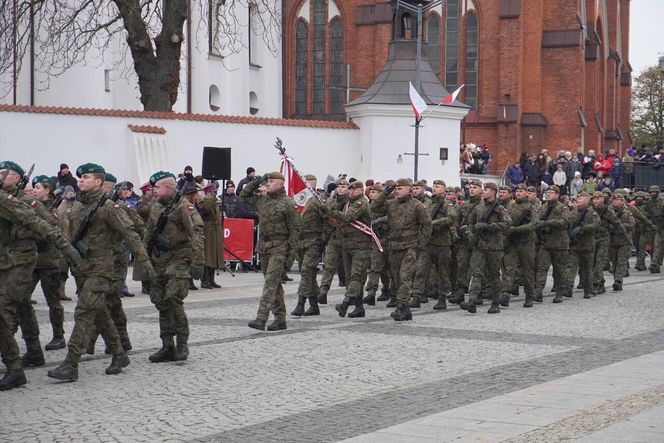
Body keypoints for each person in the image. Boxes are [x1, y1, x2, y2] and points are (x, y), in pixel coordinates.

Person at [48, 163, 154, 382]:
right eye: (80, 178)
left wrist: (146, 264)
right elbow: (70, 239)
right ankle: (118, 353)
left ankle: (71, 364)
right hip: (82, 269)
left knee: (84, 311)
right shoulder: (77, 206)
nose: (81, 181)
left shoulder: (108, 207)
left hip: (102, 269)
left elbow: (130, 234)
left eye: (86, 177)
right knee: (101, 314)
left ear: (98, 182)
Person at [0, 172, 80, 391]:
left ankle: (15, 367)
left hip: (25, 259)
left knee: (5, 310)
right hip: (7, 259)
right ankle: (34, 350)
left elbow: (42, 223)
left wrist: (67, 250)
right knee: (23, 305)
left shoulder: (11, 201)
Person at [144, 172, 204, 362]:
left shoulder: (184, 207)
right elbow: (149, 234)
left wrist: (198, 262)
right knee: (160, 301)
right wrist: (145, 258)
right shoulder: (155, 208)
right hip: (160, 259)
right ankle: (167, 345)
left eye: (158, 188)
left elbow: (196, 233)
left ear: (169, 188)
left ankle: (182, 343)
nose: (154, 191)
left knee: (173, 298)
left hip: (180, 257)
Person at [241, 172, 300, 331]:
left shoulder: (288, 203)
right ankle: (280, 319)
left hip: (280, 247)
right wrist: (256, 181)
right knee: (274, 284)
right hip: (264, 246)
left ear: (281, 184)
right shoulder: (263, 200)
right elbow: (243, 195)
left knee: (270, 283)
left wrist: (290, 257)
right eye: (267, 181)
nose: (268, 184)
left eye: (272, 181)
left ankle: (261, 318)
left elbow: (295, 231)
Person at [370, 178, 432, 321]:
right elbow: (373, 207)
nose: (397, 191)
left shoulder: (417, 205)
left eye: (400, 189)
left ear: (409, 189)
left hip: (410, 246)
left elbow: (427, 225)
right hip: (394, 247)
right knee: (396, 278)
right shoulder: (391, 204)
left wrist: (421, 244)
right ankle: (406, 310)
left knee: (405, 277)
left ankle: (400, 307)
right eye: (396, 189)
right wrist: (384, 194)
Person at [322, 180, 373, 318]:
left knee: (356, 275)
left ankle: (345, 302)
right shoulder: (348, 203)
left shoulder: (361, 203)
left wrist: (330, 211)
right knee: (351, 277)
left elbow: (348, 217)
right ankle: (359, 307)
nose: (351, 192)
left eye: (354, 190)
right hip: (348, 245)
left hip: (360, 246)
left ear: (361, 191)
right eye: (350, 190)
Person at [459, 182, 510, 313]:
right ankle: (472, 300)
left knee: (494, 275)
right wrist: (470, 234)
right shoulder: (479, 207)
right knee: (476, 273)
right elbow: (470, 223)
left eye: (487, 190)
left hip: (494, 247)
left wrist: (489, 227)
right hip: (479, 246)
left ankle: (495, 302)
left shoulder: (499, 208)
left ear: (493, 192)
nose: (484, 192)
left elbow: (507, 223)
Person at [291, 175, 326, 317]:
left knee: (306, 271)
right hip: (300, 242)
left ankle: (300, 304)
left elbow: (328, 221)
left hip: (314, 242)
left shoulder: (318, 201)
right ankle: (314, 305)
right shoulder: (299, 200)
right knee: (308, 274)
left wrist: (323, 241)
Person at [500, 183, 538, 308]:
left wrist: (516, 229)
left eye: (521, 191)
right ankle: (505, 293)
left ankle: (529, 295)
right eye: (517, 191)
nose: (519, 193)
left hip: (526, 242)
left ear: (526, 193)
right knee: (509, 268)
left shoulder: (531, 207)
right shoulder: (510, 206)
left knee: (527, 270)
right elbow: (504, 221)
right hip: (512, 242)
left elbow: (533, 224)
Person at [533, 185, 569, 304]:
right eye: (547, 192)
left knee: (559, 269)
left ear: (557, 195)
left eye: (551, 192)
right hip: (545, 242)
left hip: (559, 243)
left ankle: (559, 292)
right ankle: (538, 292)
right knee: (541, 267)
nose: (548, 194)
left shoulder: (562, 207)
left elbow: (564, 222)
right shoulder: (542, 207)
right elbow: (536, 221)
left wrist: (547, 222)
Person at [563, 192, 599, 299]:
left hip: (587, 245)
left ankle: (588, 290)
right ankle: (568, 288)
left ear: (587, 200)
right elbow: (566, 223)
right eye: (578, 198)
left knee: (587, 269)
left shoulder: (592, 213)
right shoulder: (572, 212)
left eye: (581, 198)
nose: (578, 200)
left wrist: (582, 228)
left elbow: (596, 224)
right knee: (571, 268)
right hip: (574, 245)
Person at [197, 183, 224, 289]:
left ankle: (211, 279)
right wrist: (212, 200)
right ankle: (204, 280)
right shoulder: (203, 202)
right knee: (208, 254)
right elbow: (205, 211)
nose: (215, 194)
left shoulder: (214, 201)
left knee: (215, 255)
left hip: (215, 229)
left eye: (215, 192)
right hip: (208, 230)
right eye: (212, 191)